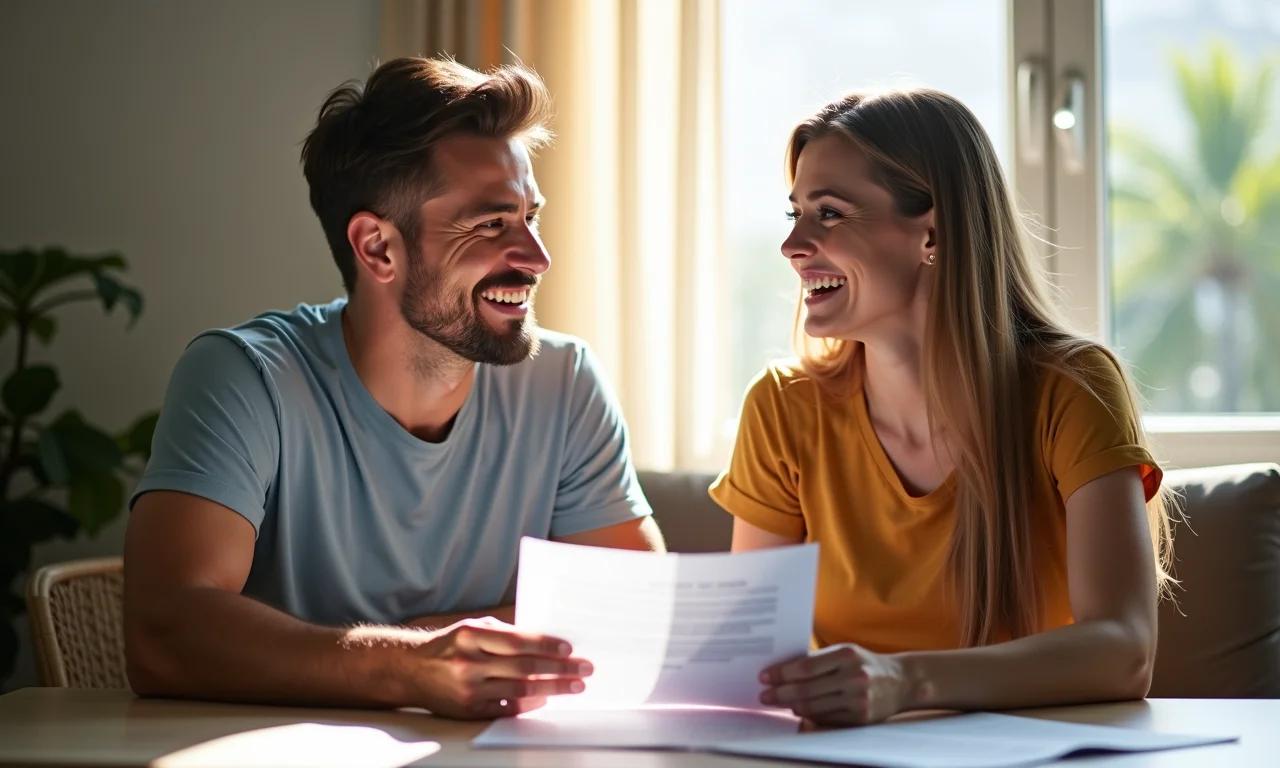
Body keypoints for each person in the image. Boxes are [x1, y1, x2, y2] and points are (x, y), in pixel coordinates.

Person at [123, 57, 664, 720]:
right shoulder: (246, 376)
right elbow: (164, 635)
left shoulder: (564, 381)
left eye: (531, 217)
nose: (536, 256)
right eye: (492, 224)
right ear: (377, 248)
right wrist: (414, 668)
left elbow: (634, 611)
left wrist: (422, 652)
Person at [710, 87, 1175, 727]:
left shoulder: (1072, 388)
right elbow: (749, 656)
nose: (793, 244)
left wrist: (904, 681)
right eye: (795, 214)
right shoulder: (781, 408)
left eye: (830, 214)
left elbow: (1125, 652)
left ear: (933, 233)